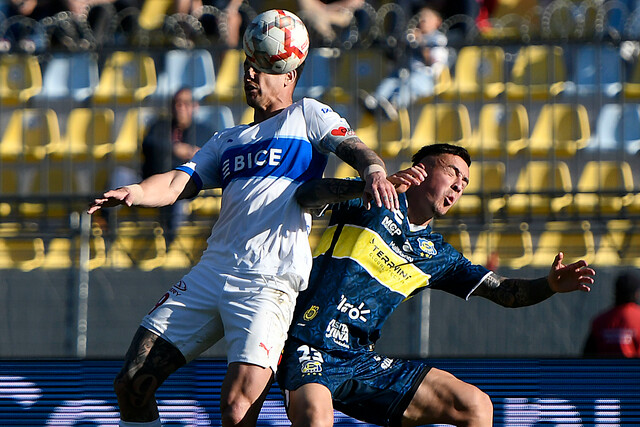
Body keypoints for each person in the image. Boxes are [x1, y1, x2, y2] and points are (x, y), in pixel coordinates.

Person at [87, 9, 397, 427]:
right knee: (132, 382)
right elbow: (179, 184)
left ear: (289, 73)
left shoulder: (307, 115)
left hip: (268, 280)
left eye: (263, 68)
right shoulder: (225, 139)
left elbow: (356, 149)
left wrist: (374, 171)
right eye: (248, 67)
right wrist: (136, 192)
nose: (250, 75)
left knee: (237, 407)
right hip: (212, 271)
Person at [277, 143, 596, 427]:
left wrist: (549, 285)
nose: (459, 185)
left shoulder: (439, 255)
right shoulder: (370, 199)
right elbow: (306, 195)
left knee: (474, 405)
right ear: (421, 171)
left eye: (465, 182)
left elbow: (505, 292)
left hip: (361, 361)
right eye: (452, 172)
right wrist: (370, 184)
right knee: (316, 419)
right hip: (308, 345)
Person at [141, 87, 210, 243]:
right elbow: (148, 144)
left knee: (178, 201)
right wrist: (175, 148)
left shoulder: (204, 131)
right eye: (176, 103)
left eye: (185, 103)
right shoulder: (160, 126)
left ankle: (172, 246)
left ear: (194, 106)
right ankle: (107, 231)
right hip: (152, 179)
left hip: (184, 188)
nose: (180, 108)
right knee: (119, 176)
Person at [359, 6, 449, 119]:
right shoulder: (414, 35)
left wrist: (420, 41)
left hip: (426, 78)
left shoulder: (438, 39)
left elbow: (431, 61)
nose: (421, 21)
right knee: (392, 80)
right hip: (407, 74)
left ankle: (394, 105)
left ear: (437, 21)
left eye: (426, 18)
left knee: (411, 83)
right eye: (420, 18)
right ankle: (375, 101)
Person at [583, 271, 640, 357]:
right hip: (633, 370)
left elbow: (587, 356)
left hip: (605, 369)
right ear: (637, 293)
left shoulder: (600, 321)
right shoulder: (637, 317)